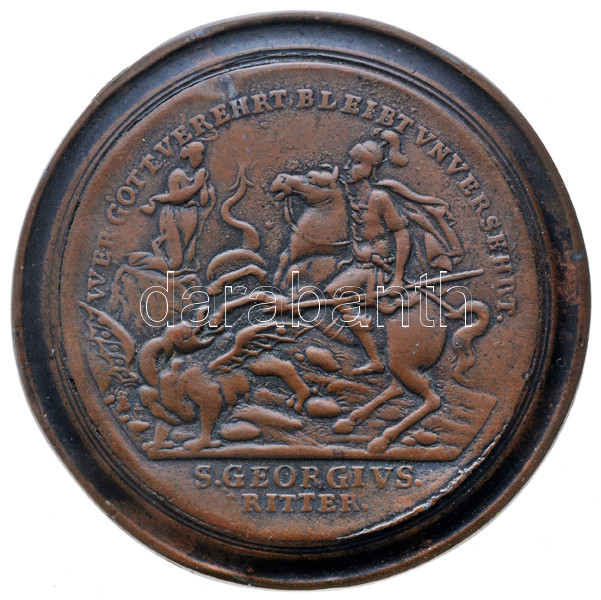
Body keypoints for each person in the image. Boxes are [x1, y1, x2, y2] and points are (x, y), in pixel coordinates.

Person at [140, 141, 216, 272]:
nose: (202, 157)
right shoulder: (177, 174)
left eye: (203, 154)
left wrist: (203, 185)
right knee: (175, 263)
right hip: (173, 217)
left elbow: (204, 202)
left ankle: (170, 272)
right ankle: (138, 265)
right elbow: (176, 198)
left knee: (181, 259)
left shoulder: (200, 175)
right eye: (200, 154)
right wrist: (196, 186)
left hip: (190, 217)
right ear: (192, 155)